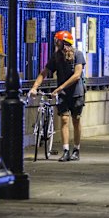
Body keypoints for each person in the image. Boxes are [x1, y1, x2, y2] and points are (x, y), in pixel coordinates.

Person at [29, 30, 86, 162]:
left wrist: (60, 87)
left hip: (77, 92)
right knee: (64, 120)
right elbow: (44, 72)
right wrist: (34, 87)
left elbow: (77, 75)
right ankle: (66, 150)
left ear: (64, 42)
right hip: (63, 94)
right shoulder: (56, 57)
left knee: (76, 120)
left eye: (58, 41)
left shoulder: (78, 54)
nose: (56, 43)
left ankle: (76, 149)